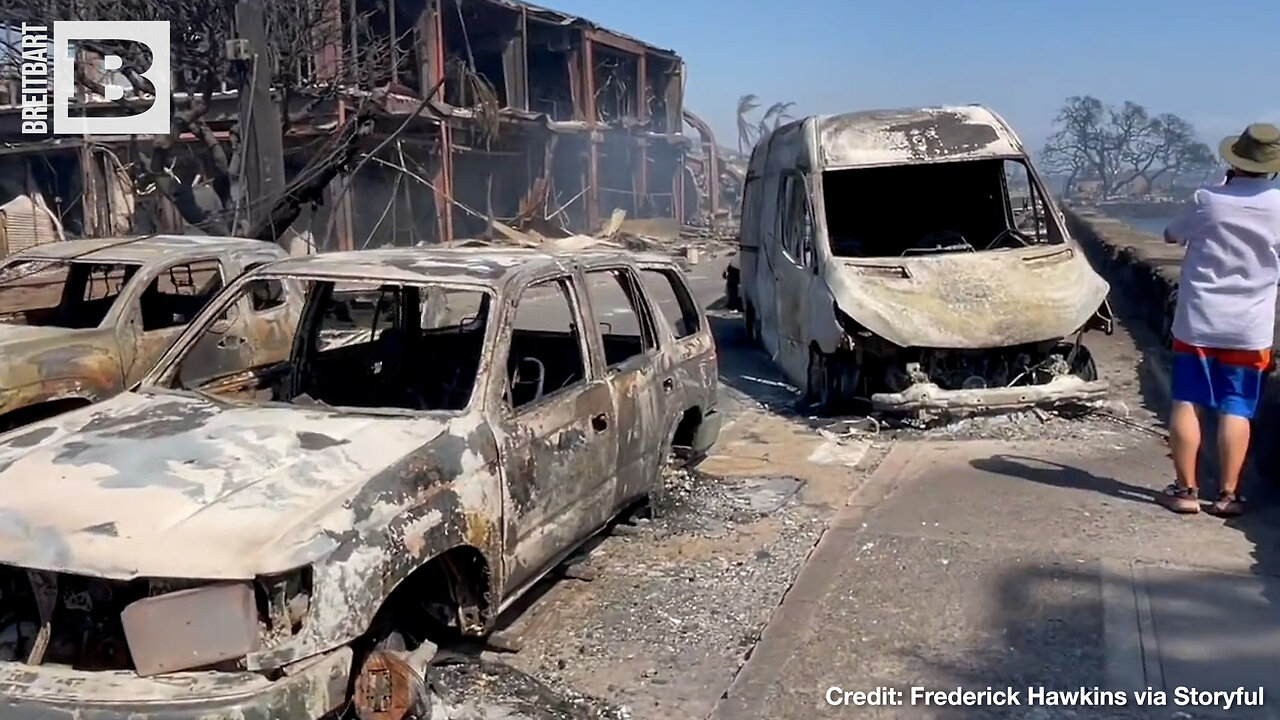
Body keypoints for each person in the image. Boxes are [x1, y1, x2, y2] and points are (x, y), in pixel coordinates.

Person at [1158, 122, 1280, 516]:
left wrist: (1215, 189)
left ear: (1234, 161)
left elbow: (1171, 234)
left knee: (1188, 400)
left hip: (1199, 322)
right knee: (1237, 407)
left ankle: (1186, 490)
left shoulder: (1208, 199)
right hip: (1250, 328)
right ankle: (1228, 494)